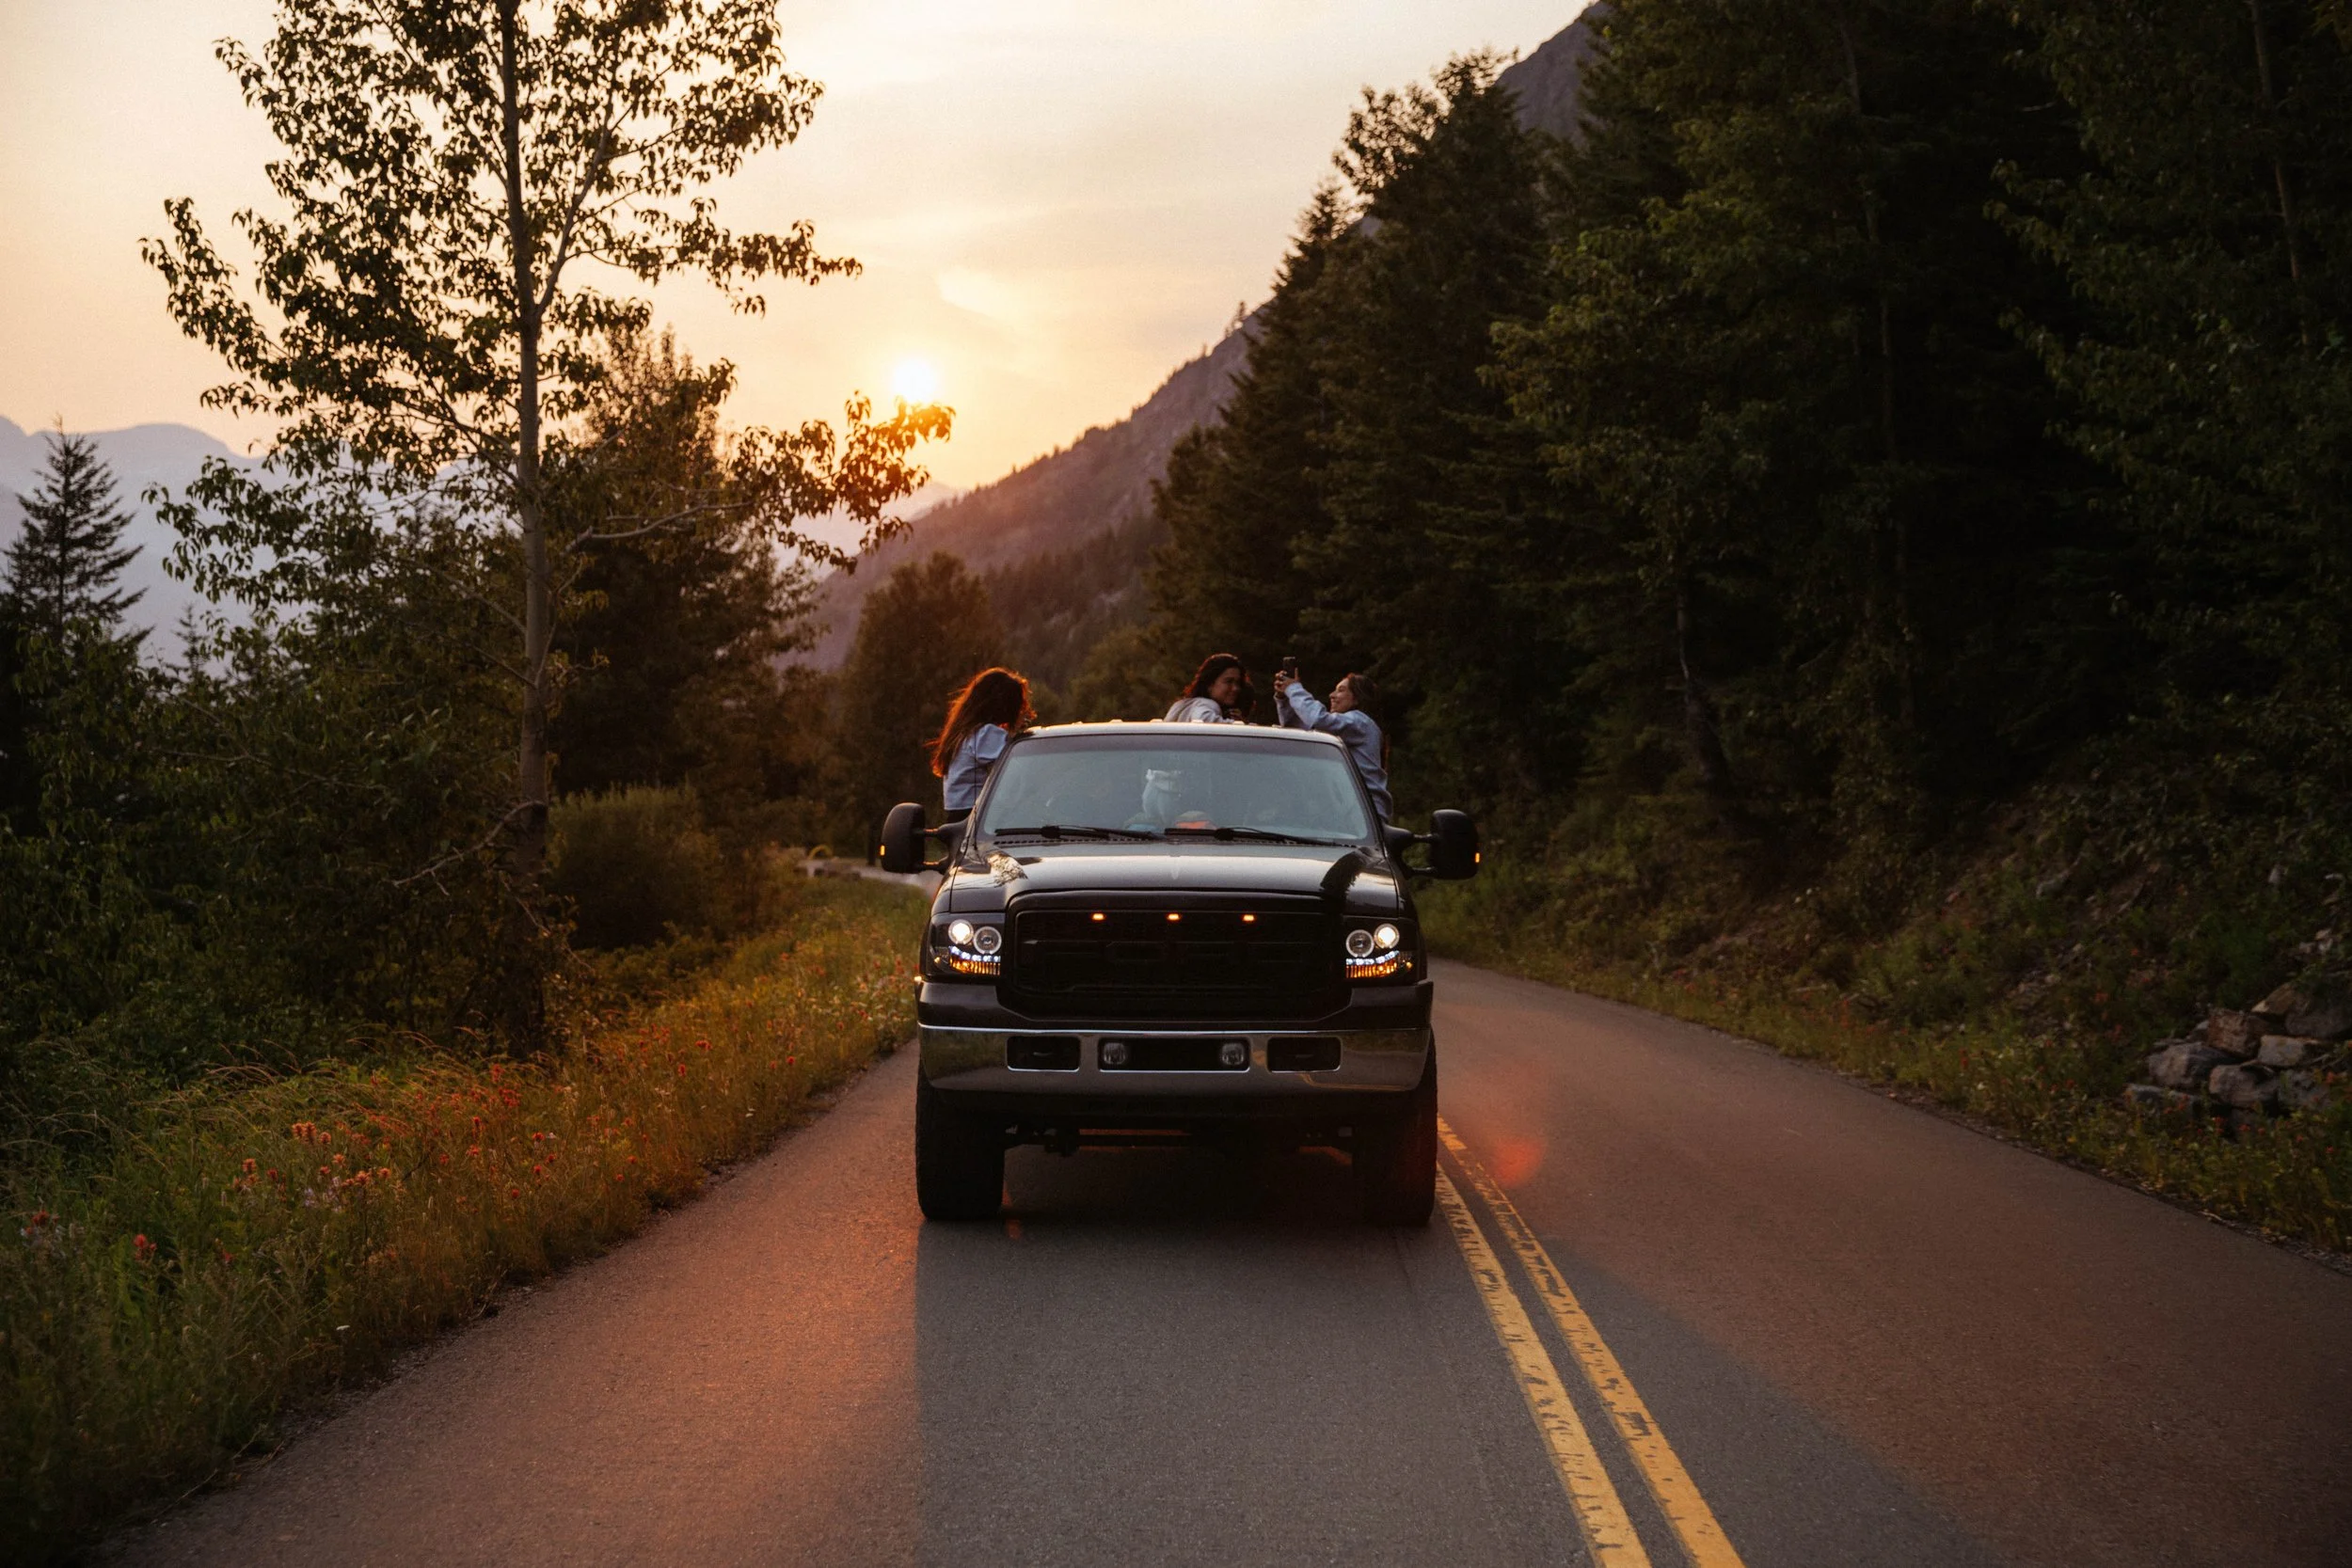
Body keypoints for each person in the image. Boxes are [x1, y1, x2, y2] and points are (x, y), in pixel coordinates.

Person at [1275, 667, 1391, 821]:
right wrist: (1284, 698)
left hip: (1365, 815)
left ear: (1357, 698)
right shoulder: (1348, 728)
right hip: (1354, 813)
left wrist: (1294, 688)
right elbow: (1298, 727)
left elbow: (1318, 719)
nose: (1332, 695)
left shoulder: (1360, 722)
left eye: (1341, 691)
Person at [932, 667, 1034, 821]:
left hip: (958, 816)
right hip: (977, 818)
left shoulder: (965, 733)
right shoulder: (986, 735)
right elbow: (1017, 771)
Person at [1165, 654, 1248, 723]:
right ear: (1209, 684)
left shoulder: (1180, 706)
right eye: (1228, 681)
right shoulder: (1207, 704)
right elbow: (1202, 719)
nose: (1235, 688)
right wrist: (1236, 725)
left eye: (1238, 683)